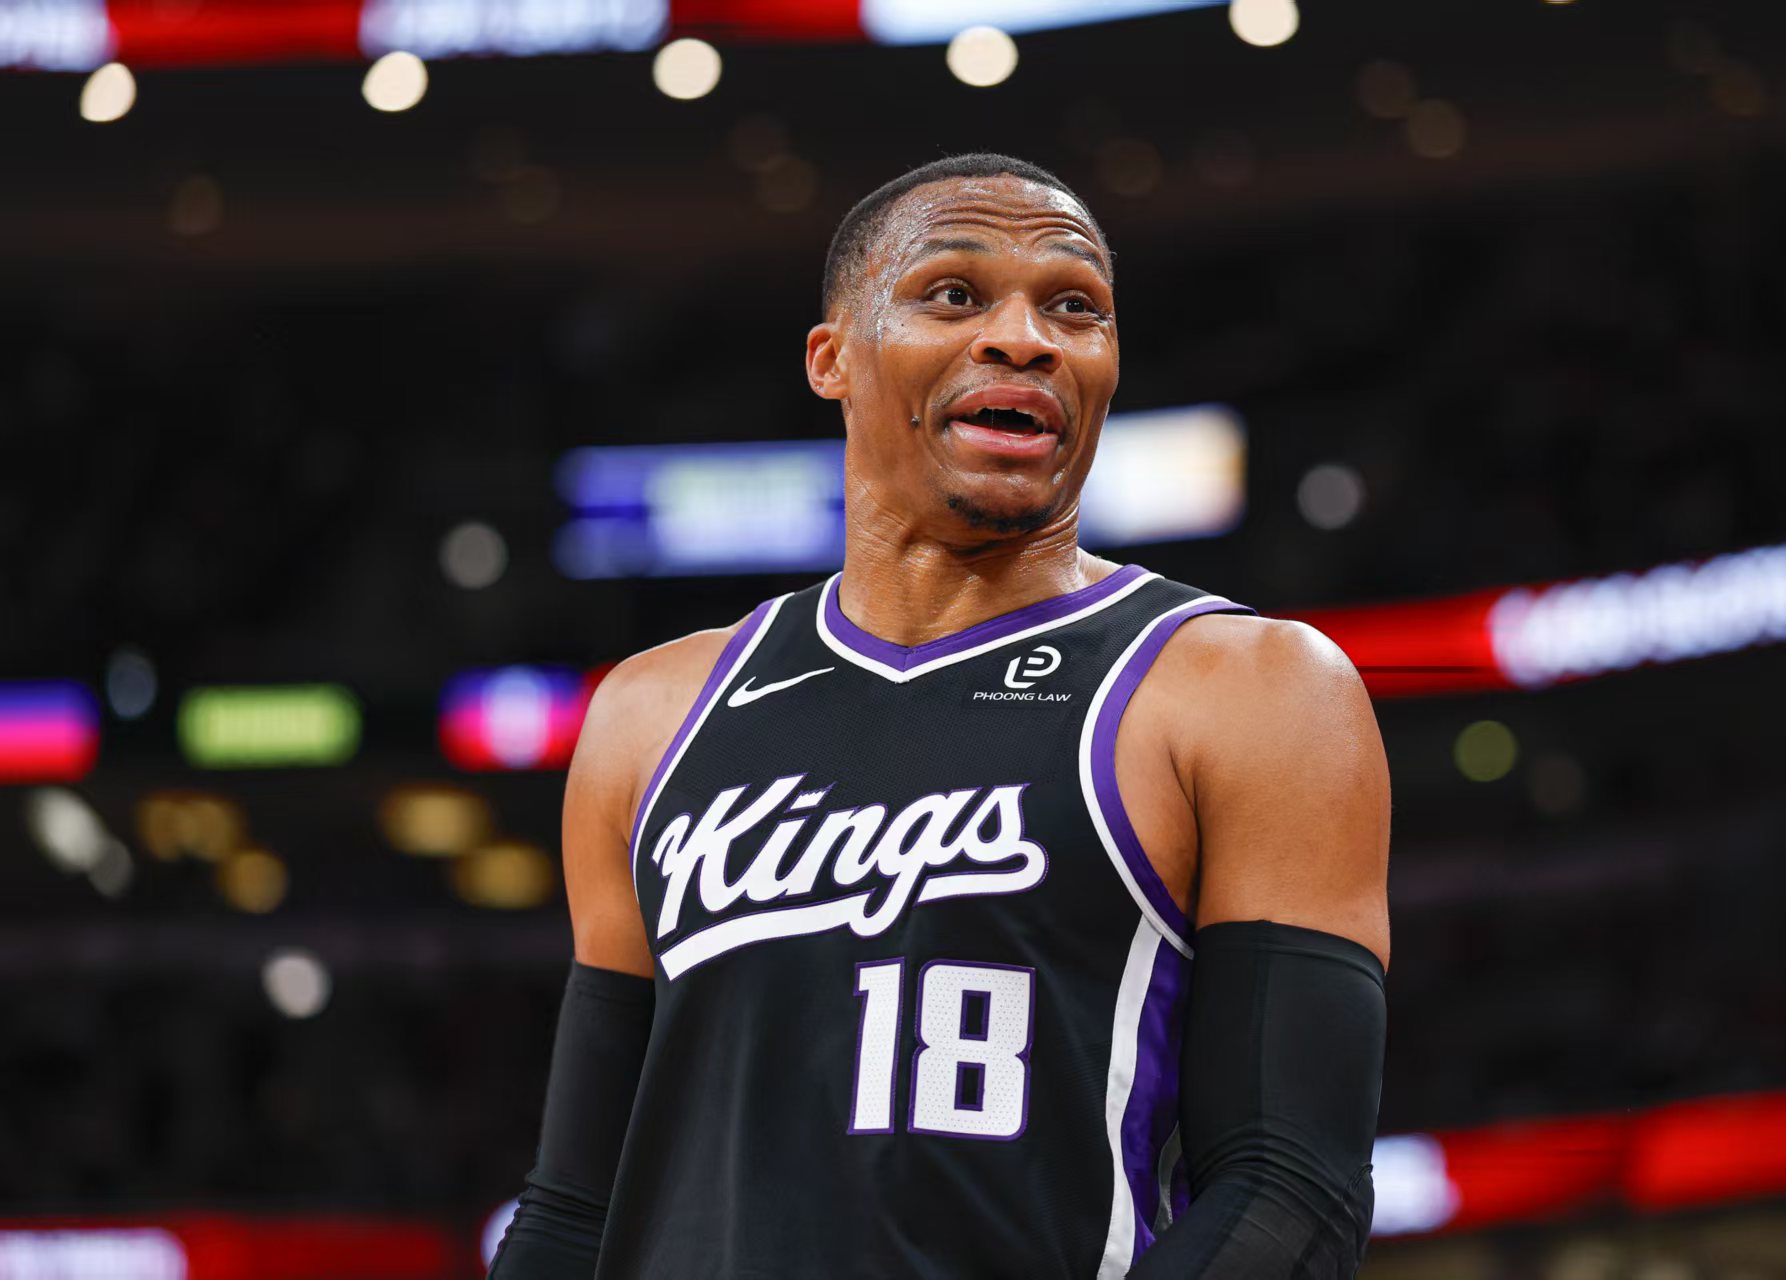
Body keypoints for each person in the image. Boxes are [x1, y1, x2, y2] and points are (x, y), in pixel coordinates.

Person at [488, 152, 1390, 1279]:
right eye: (955, 294)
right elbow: (575, 1209)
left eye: (1076, 307)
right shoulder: (651, 713)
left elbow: (1291, 1187)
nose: (1026, 338)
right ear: (832, 358)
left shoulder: (1246, 685)